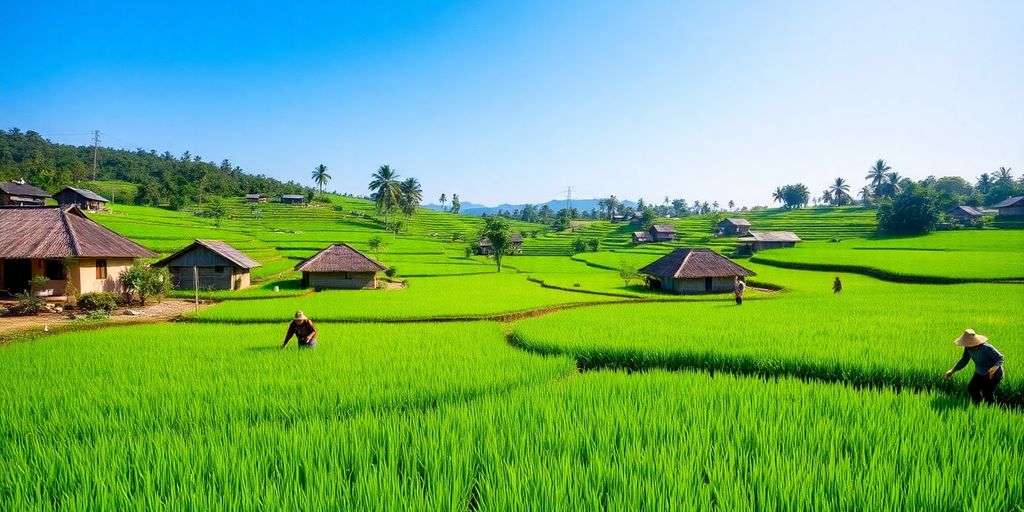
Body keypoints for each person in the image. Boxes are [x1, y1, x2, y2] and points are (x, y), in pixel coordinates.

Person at [943, 329, 1004, 404]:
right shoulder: (968, 348)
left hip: (993, 374)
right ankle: (977, 406)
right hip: (980, 372)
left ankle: (992, 410)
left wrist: (995, 367)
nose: (966, 346)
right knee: (972, 388)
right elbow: (964, 360)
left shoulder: (986, 348)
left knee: (987, 393)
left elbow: (1000, 357)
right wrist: (952, 370)